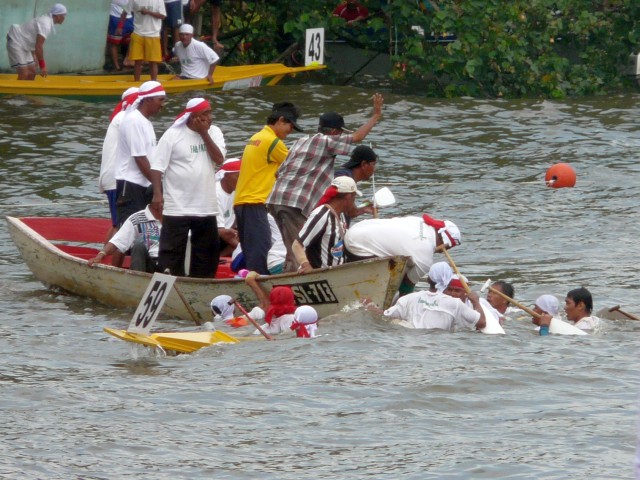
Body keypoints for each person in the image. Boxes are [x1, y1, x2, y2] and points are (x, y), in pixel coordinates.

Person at [267, 94, 383, 272]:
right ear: (335, 132)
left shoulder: (301, 141)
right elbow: (358, 137)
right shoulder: (325, 141)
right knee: (300, 248)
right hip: (294, 204)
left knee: (292, 248)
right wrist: (375, 115)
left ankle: (288, 283)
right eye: (341, 133)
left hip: (276, 199)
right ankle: (292, 289)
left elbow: (277, 173)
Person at [150, 97, 226, 278]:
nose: (210, 117)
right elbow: (157, 167)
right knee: (172, 252)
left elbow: (219, 159)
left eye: (210, 112)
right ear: (193, 117)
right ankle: (170, 283)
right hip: (178, 205)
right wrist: (157, 194)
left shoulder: (214, 132)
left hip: (205, 205)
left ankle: (201, 283)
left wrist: (204, 134)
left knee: (206, 253)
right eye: (205, 113)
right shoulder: (173, 134)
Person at [234, 102, 302, 275]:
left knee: (251, 251)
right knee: (261, 253)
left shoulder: (256, 137)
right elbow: (296, 168)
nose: (291, 131)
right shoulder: (273, 142)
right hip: (255, 202)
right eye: (290, 126)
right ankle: (262, 293)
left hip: (242, 202)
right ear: (280, 120)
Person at [344, 213, 461, 295]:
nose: (441, 251)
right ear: (446, 243)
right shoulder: (425, 256)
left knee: (401, 266)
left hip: (354, 230)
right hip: (358, 247)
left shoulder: (418, 220)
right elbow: (406, 288)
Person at [114, 80, 166, 227]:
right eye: (160, 100)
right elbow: (140, 158)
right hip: (130, 185)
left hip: (143, 185)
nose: (163, 104)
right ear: (148, 100)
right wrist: (158, 189)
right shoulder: (134, 121)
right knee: (129, 232)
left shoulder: (145, 122)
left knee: (145, 231)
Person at [380, 262, 486, 331]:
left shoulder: (409, 298)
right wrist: (476, 301)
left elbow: (384, 316)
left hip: (411, 341)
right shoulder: (455, 304)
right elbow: (482, 323)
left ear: (428, 279)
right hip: (437, 348)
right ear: (448, 282)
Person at [292, 176, 360, 273]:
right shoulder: (321, 215)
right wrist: (306, 265)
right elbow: (297, 245)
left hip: (338, 272)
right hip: (322, 274)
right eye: (354, 197)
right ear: (348, 197)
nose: (354, 201)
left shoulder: (341, 215)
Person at [100, 86, 139, 243]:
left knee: (119, 223)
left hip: (116, 178)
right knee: (120, 226)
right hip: (117, 180)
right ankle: (104, 257)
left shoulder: (121, 117)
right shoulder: (124, 118)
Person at [87, 202, 162, 273]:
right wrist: (101, 255)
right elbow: (118, 241)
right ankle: (138, 280)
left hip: (168, 262)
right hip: (149, 263)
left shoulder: (172, 218)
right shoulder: (136, 218)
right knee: (139, 245)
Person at [6, 3, 68, 80]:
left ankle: (26, 92)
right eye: (64, 15)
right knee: (24, 73)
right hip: (16, 40)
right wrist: (43, 66)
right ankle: (17, 92)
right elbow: (39, 46)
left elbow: (32, 37)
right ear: (58, 15)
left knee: (32, 73)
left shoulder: (47, 21)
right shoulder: (46, 24)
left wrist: (34, 54)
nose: (64, 17)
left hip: (25, 45)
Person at [334, 144, 379, 222]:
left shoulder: (348, 177)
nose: (374, 169)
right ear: (364, 164)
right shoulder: (344, 179)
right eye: (373, 164)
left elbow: (349, 212)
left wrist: (364, 209)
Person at [126, 0, 166, 81]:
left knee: (153, 62)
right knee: (137, 61)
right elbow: (125, 11)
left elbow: (163, 16)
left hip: (153, 34)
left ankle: (153, 83)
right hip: (138, 32)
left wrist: (148, 12)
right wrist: (120, 26)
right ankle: (136, 82)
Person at [215, 157, 241, 256]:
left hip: (229, 232)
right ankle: (219, 258)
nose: (241, 180)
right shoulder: (216, 193)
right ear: (226, 175)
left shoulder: (236, 191)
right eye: (237, 176)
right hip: (216, 233)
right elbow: (222, 231)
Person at [107, 0, 134, 71]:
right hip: (115, 16)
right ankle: (116, 65)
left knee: (133, 40)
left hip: (128, 17)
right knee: (114, 42)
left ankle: (126, 60)